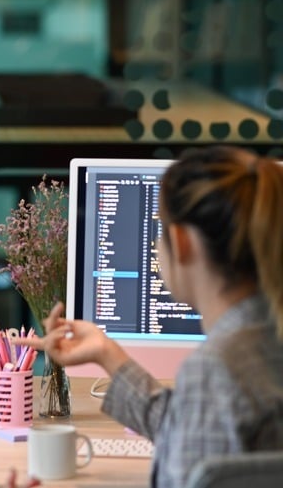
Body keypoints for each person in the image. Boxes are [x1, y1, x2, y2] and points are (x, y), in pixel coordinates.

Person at [16, 145, 283, 487]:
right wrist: (108, 355)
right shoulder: (264, 339)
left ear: (180, 241)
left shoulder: (217, 370)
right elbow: (191, 429)